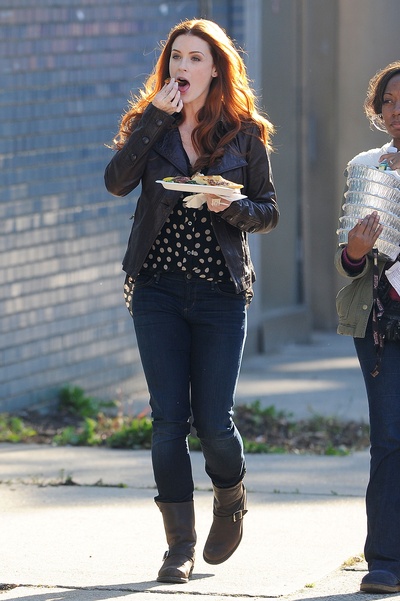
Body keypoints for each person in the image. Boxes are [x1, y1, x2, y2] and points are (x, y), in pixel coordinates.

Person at [104, 19, 279, 584]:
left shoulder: (244, 134)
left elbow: (268, 212)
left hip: (219, 292)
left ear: (216, 70)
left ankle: (230, 495)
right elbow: (116, 182)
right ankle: (178, 545)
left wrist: (231, 205)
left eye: (195, 58)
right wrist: (154, 118)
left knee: (214, 424)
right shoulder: (148, 124)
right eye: (176, 56)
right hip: (155, 288)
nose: (183, 66)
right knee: (167, 421)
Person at [335, 61, 400, 594]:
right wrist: (355, 252)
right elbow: (350, 260)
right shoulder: (368, 167)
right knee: (390, 438)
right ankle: (384, 559)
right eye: (389, 102)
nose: (396, 110)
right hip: (382, 327)